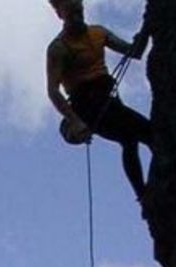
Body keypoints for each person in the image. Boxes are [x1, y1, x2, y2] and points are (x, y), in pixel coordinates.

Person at [46, 0, 152, 202]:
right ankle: (146, 194)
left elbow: (135, 52)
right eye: (71, 14)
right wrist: (76, 121)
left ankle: (144, 195)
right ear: (61, 16)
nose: (76, 17)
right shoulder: (59, 48)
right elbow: (53, 91)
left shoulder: (98, 33)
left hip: (106, 101)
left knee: (130, 139)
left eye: (78, 12)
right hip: (88, 107)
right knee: (143, 134)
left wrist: (148, 26)